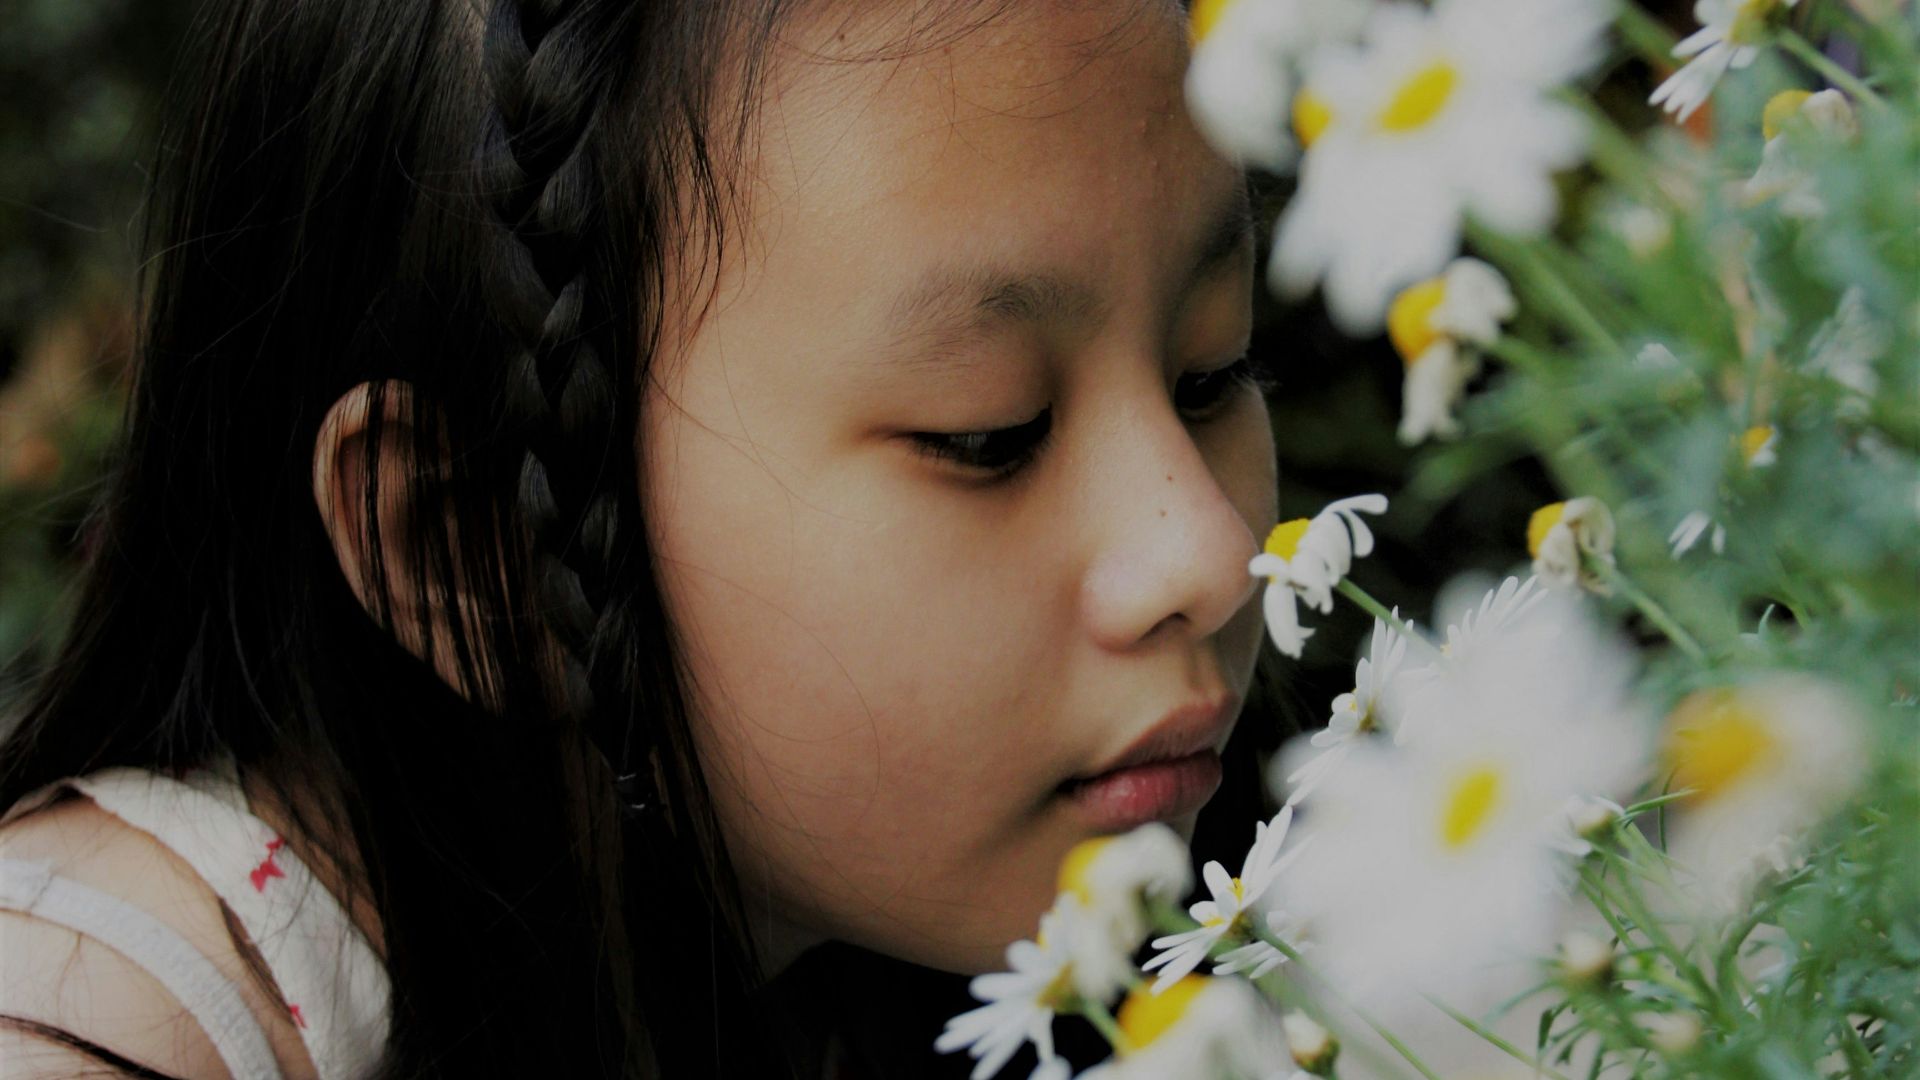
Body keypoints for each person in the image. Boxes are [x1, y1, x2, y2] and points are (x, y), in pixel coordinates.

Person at [0, 0, 1288, 1075]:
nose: (1210, 549)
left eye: (1213, 369)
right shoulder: (104, 1012)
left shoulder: (823, 969)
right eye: (990, 432)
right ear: (470, 551)